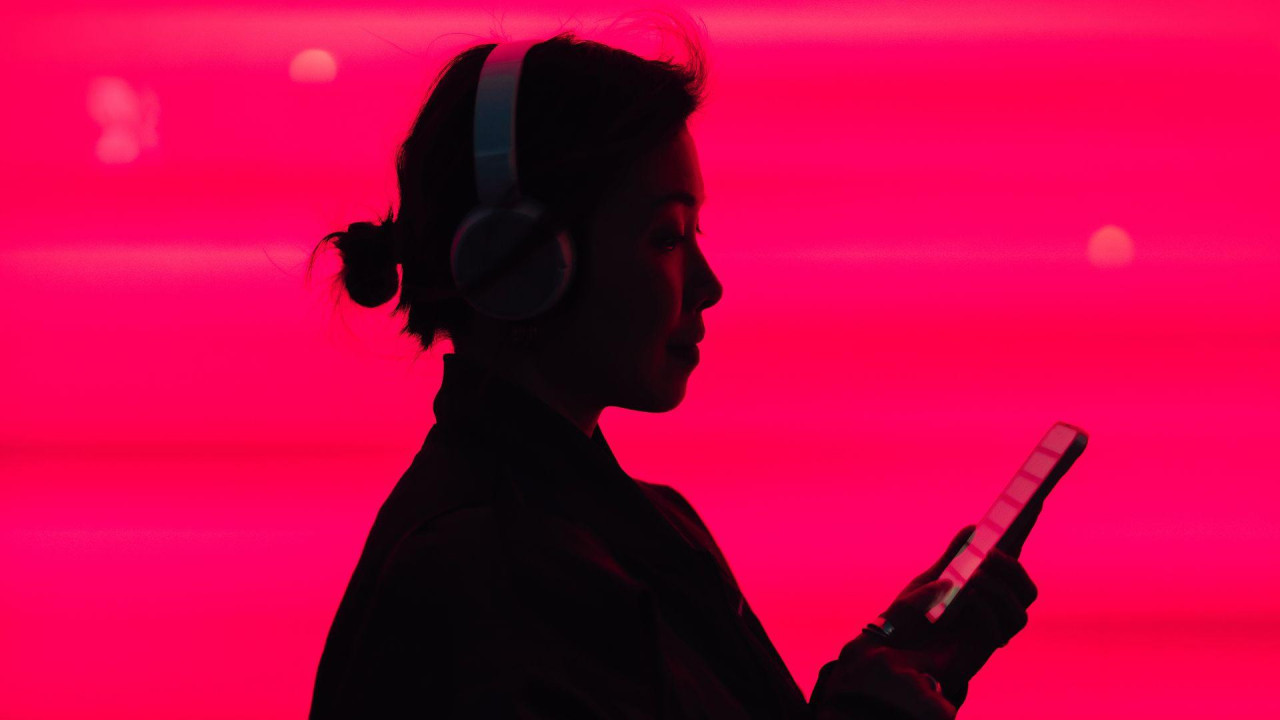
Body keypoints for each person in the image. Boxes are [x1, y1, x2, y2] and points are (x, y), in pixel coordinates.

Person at [306, 16, 1038, 719]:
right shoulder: (486, 573)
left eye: (695, 231)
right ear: (522, 264)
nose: (709, 284)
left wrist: (889, 660)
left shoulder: (625, 528)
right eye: (665, 236)